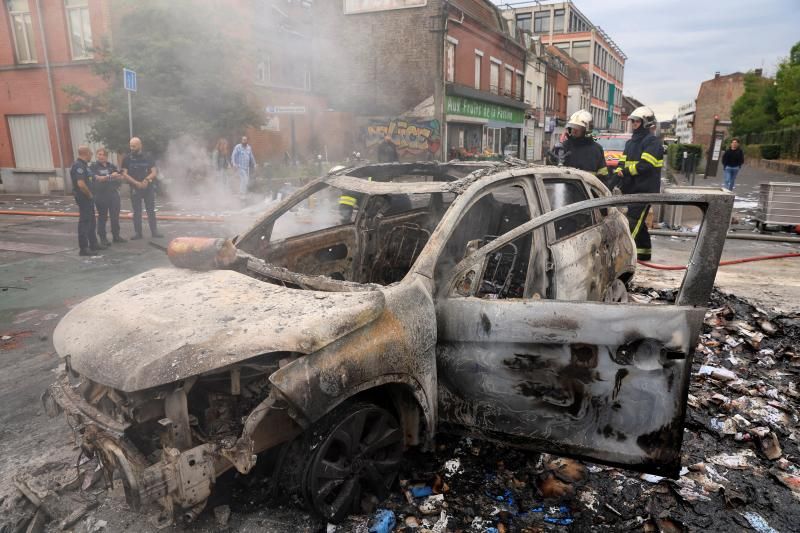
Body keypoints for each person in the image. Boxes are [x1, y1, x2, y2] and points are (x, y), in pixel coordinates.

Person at [610, 106, 664, 261]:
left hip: (645, 190)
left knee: (632, 223)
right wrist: (615, 178)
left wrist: (625, 172)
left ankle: (624, 258)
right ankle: (644, 254)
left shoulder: (652, 142)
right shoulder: (630, 143)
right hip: (631, 190)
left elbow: (645, 166)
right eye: (632, 121)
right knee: (639, 226)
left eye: (636, 121)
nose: (633, 123)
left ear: (646, 123)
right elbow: (621, 164)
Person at [121, 137, 162, 240]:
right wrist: (136, 183)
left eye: (134, 146)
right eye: (130, 146)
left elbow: (154, 172)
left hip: (148, 187)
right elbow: (124, 174)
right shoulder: (127, 158)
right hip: (135, 188)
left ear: (140, 145)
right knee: (137, 211)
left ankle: (154, 232)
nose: (132, 148)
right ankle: (138, 233)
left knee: (150, 210)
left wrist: (146, 180)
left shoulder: (148, 157)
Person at [70, 146, 104, 256]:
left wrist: (108, 177)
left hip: (88, 198)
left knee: (92, 221)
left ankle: (93, 244)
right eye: (90, 153)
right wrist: (89, 194)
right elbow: (81, 184)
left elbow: (94, 177)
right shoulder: (78, 166)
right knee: (85, 222)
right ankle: (84, 248)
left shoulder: (85, 166)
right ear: (86, 153)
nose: (92, 156)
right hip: (83, 197)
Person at [90, 148, 125, 246]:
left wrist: (118, 176)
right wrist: (110, 176)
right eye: (99, 154)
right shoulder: (94, 167)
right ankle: (103, 238)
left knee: (115, 216)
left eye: (103, 155)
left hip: (113, 194)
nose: (101, 156)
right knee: (102, 217)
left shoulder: (111, 166)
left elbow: (119, 176)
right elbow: (98, 179)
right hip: (101, 195)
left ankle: (116, 236)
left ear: (106, 156)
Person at [560, 110, 609, 179]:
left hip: (588, 189)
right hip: (565, 187)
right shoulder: (564, 146)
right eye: (573, 127)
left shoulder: (596, 149)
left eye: (578, 127)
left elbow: (603, 176)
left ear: (586, 130)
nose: (574, 130)